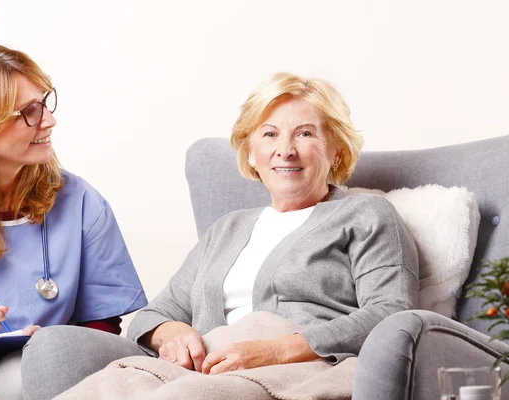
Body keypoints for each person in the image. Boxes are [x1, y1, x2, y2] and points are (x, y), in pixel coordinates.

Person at [20, 72, 419, 399]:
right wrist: (172, 333)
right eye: (269, 135)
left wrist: (276, 351)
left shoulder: (365, 213)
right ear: (250, 152)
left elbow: (390, 314)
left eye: (305, 134)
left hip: (297, 371)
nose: (285, 150)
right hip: (203, 371)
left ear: (336, 149)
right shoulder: (227, 229)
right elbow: (154, 314)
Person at [0, 42, 148, 399]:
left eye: (45, 102)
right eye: (29, 111)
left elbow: (103, 324)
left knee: (20, 374)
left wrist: (56, 343)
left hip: (45, 365)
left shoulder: (81, 202)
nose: (49, 120)